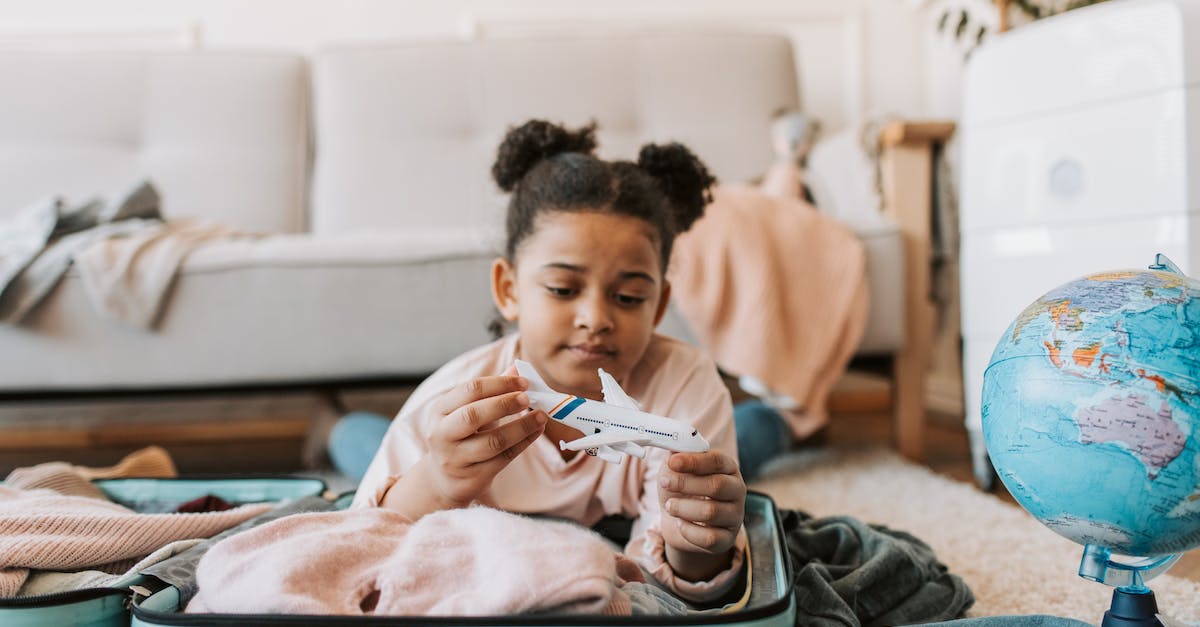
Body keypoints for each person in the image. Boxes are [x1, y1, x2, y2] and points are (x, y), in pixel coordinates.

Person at [350, 119, 747, 605]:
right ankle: (341, 427)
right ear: (508, 290)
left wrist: (696, 547)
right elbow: (361, 540)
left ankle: (771, 425)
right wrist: (436, 479)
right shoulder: (450, 401)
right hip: (418, 444)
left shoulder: (686, 385)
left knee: (748, 449)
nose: (595, 318)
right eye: (562, 289)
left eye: (628, 296)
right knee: (362, 446)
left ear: (659, 307)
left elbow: (668, 587)